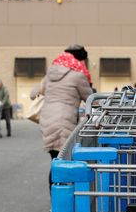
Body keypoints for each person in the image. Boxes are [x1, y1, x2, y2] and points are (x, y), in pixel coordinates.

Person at [30, 44, 93, 189]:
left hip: (47, 121)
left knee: (55, 160)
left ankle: (56, 203)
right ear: (80, 60)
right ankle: (62, 204)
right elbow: (91, 98)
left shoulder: (50, 74)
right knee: (64, 162)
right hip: (65, 121)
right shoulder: (78, 75)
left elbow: (33, 94)